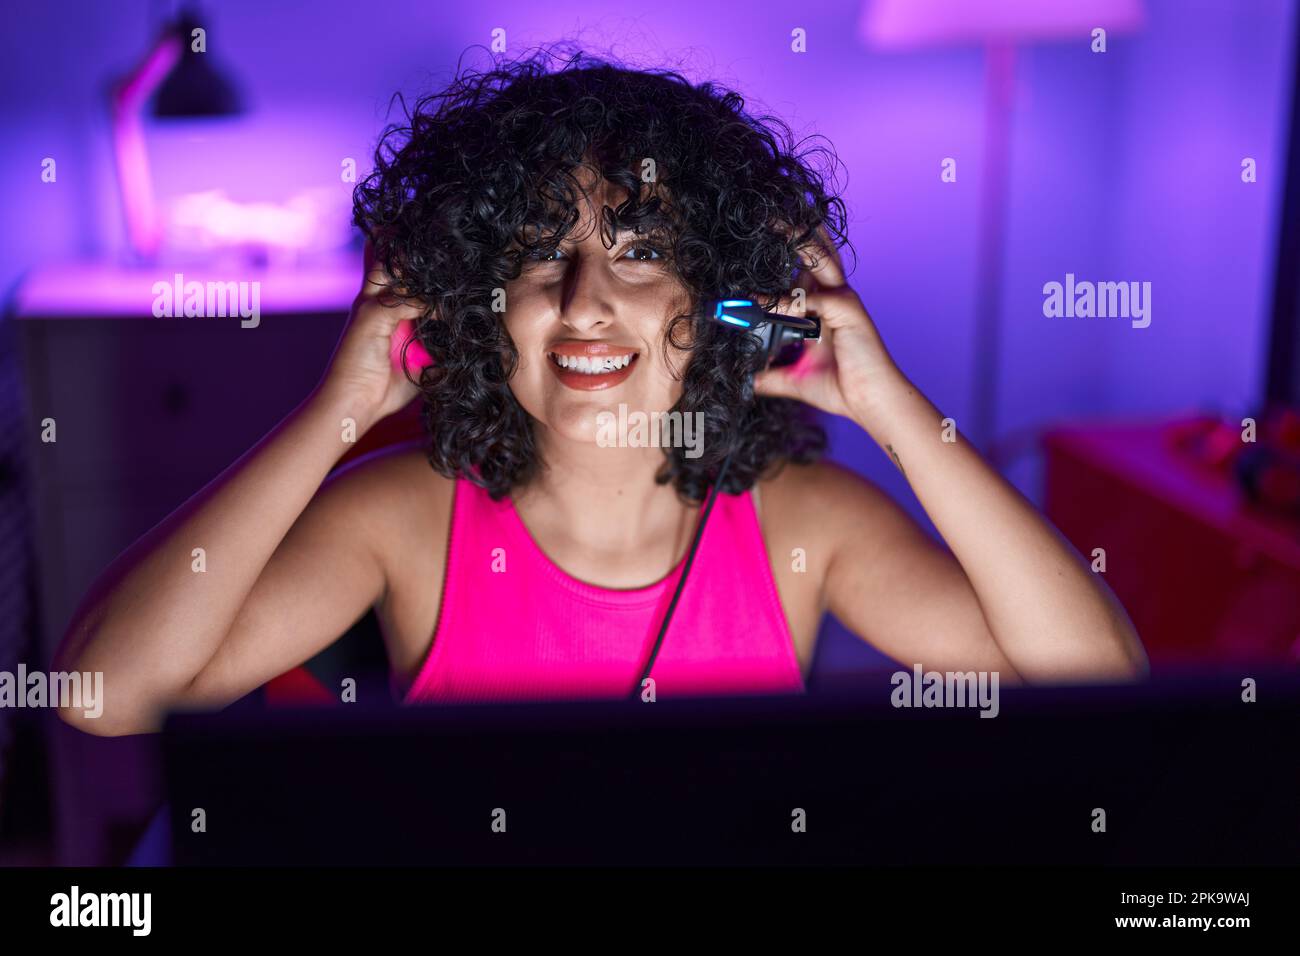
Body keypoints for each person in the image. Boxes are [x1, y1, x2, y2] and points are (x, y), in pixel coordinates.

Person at [54, 50, 1146, 736]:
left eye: (636, 255)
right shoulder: (403, 523)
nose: (583, 302)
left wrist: (892, 409)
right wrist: (335, 414)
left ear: (717, 296)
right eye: (539, 258)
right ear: (478, 301)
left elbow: (1102, 684)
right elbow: (102, 695)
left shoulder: (805, 527)